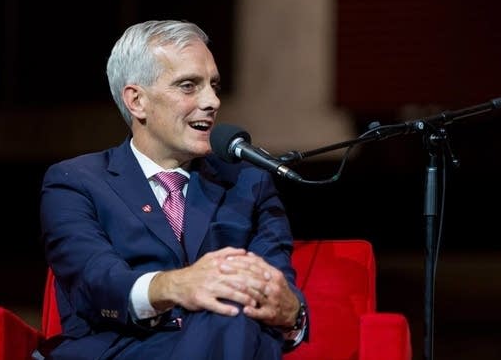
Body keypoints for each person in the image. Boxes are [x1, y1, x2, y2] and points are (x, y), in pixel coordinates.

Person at [39, 20, 309, 359]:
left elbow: (276, 285)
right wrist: (179, 285)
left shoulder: (248, 181)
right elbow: (97, 281)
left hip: (231, 340)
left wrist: (291, 314)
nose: (212, 101)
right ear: (137, 101)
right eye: (188, 86)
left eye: (214, 85)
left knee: (231, 312)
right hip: (123, 351)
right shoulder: (75, 182)